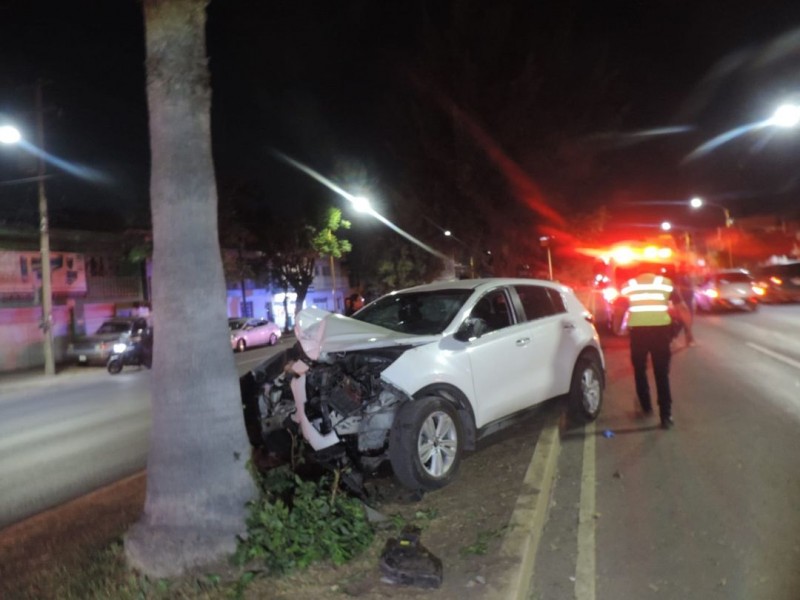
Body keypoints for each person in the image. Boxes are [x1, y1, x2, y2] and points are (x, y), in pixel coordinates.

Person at [621, 271, 688, 430]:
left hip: (638, 334)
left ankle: (645, 407)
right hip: (661, 333)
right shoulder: (666, 284)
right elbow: (682, 308)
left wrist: (618, 329)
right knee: (661, 373)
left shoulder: (628, 286)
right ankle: (666, 416)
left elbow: (619, 310)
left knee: (639, 370)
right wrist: (686, 330)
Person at [674, 264, 696, 346]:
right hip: (684, 301)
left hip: (689, 301)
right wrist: (689, 289)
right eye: (685, 267)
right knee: (685, 321)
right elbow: (678, 288)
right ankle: (689, 339)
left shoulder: (687, 276)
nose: (687, 269)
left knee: (688, 320)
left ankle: (689, 339)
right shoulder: (679, 276)